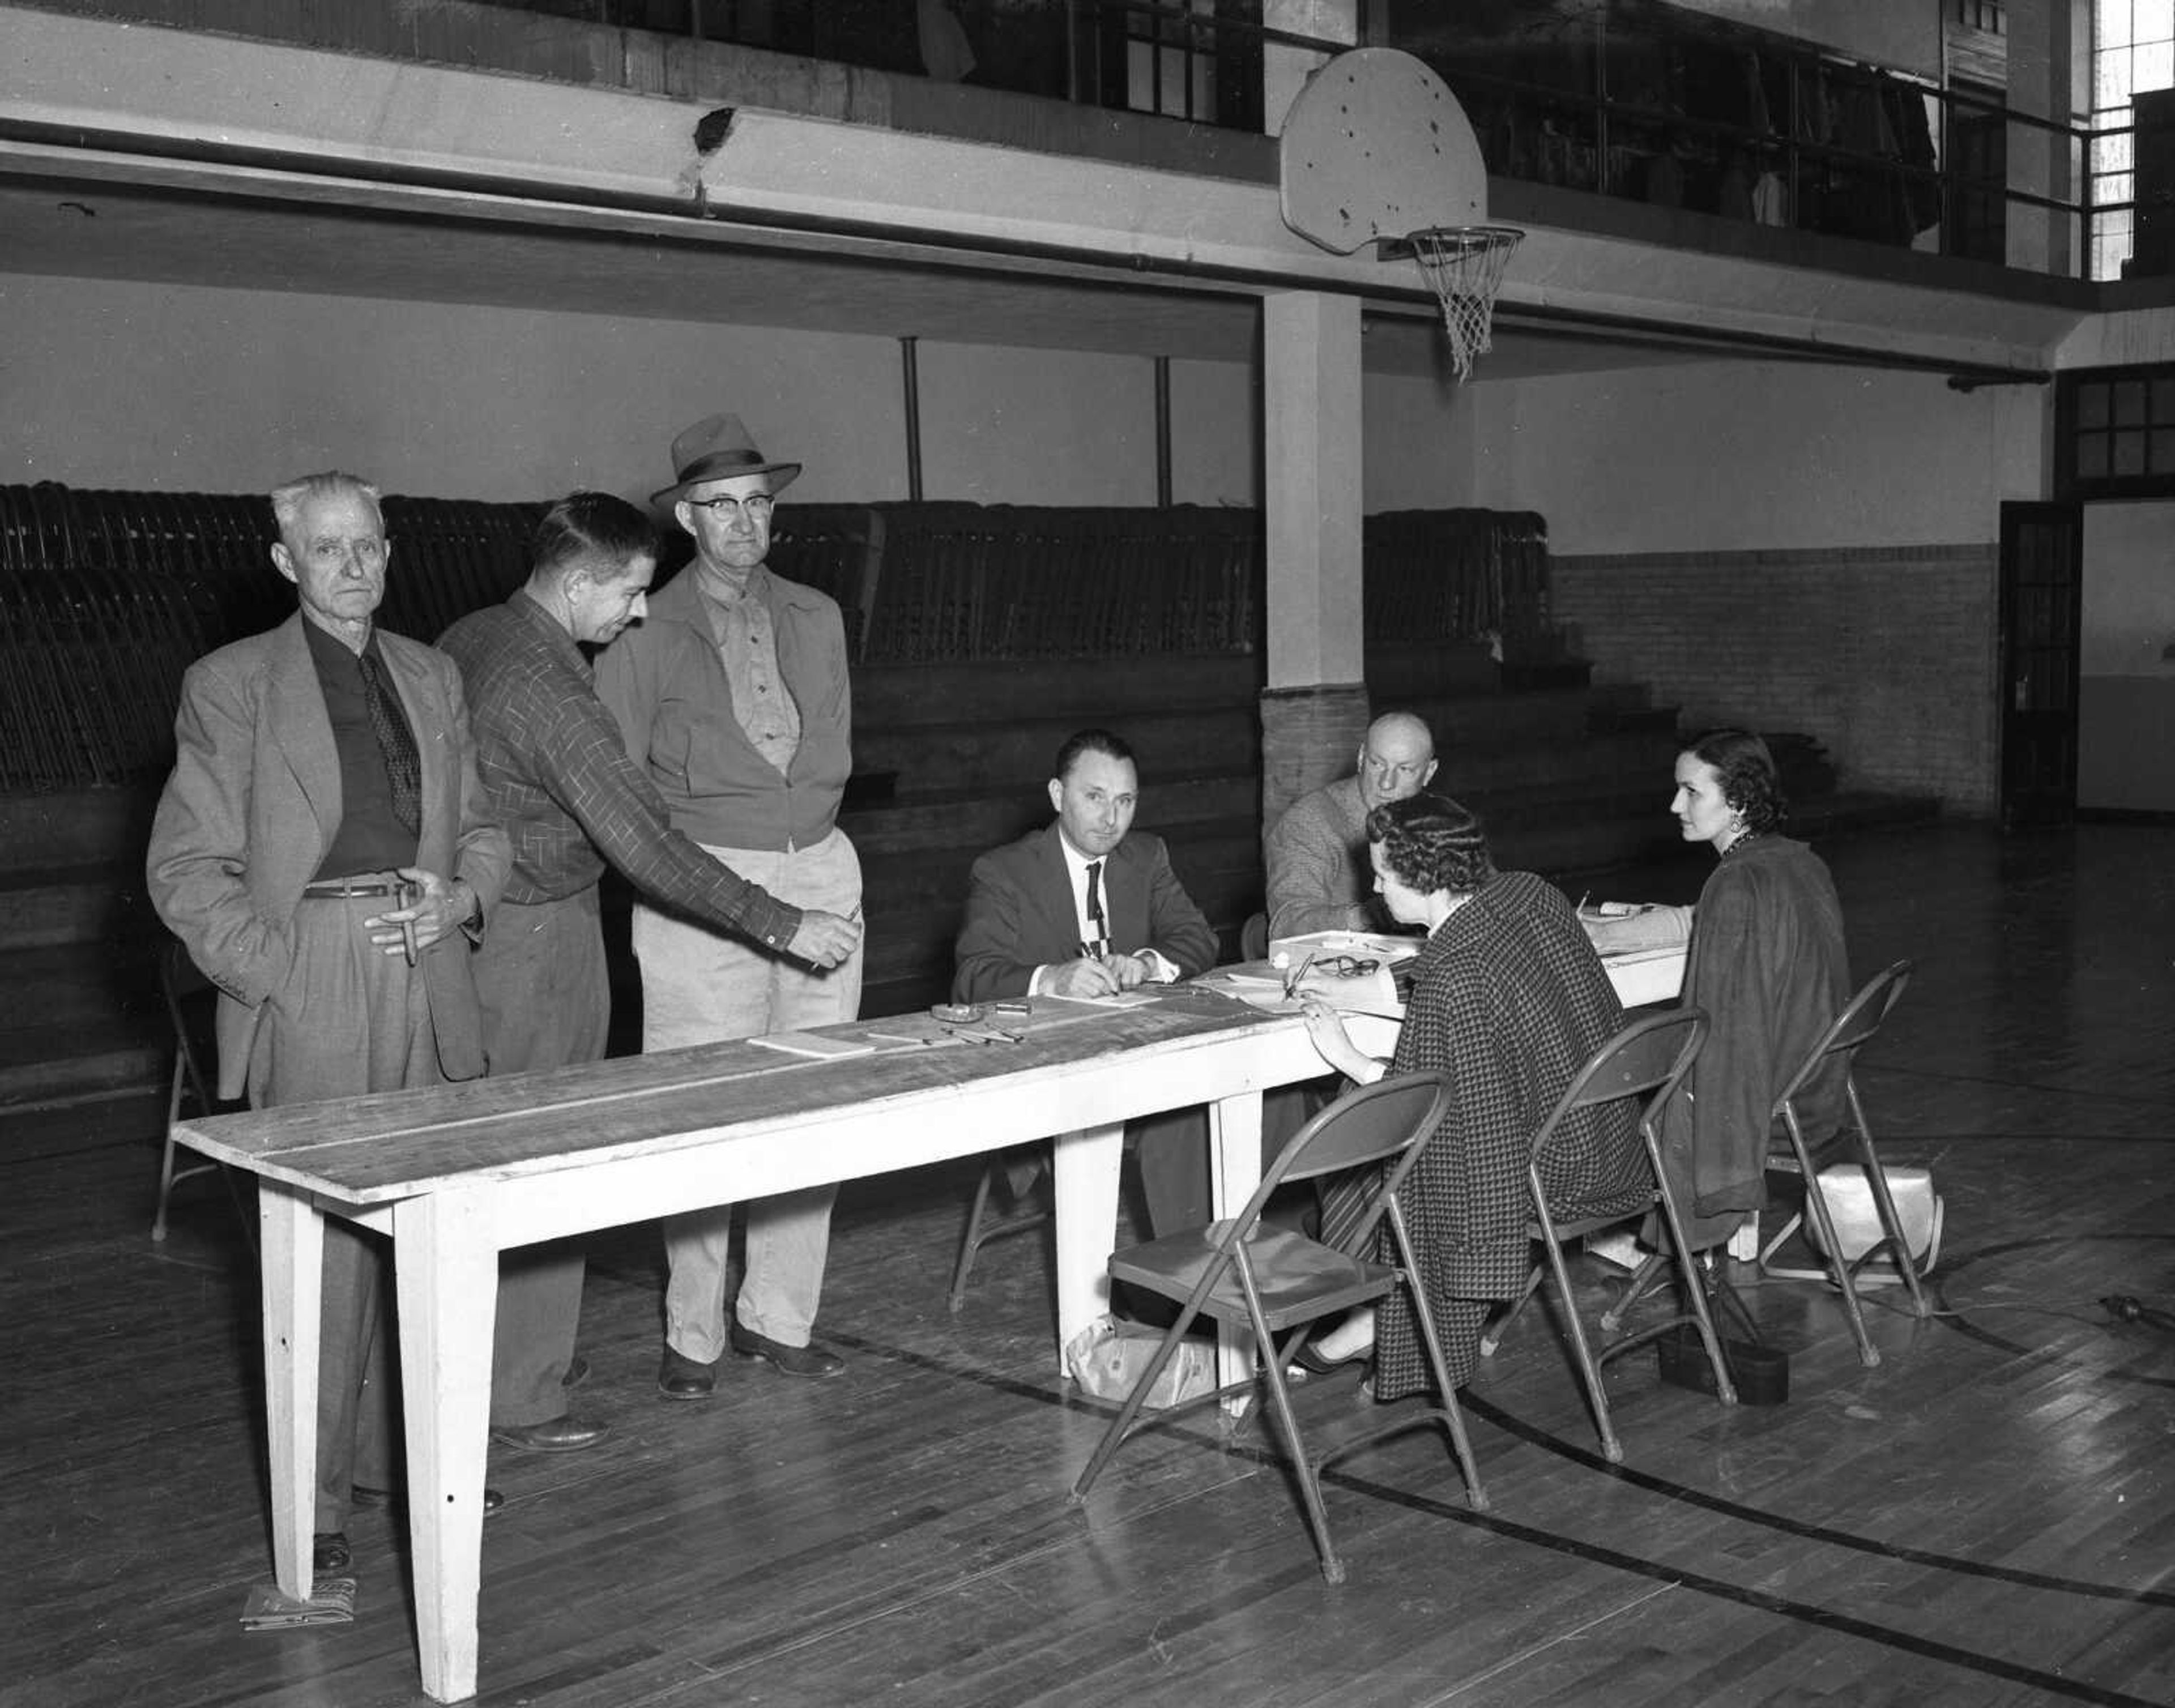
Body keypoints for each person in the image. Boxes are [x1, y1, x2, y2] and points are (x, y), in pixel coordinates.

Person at [146, 471, 512, 1577]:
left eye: (369, 545)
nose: (354, 565)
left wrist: (462, 897)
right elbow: (183, 867)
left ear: (390, 550)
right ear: (286, 562)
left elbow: (483, 825)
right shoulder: (233, 684)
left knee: (434, 1229)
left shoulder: (433, 671)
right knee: (319, 1250)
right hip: (315, 963)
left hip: (431, 955)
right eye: (327, 547)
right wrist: (284, 971)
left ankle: (408, 1463)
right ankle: (316, 1508)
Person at [438, 492, 858, 1433]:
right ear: (578, 581)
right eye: (627, 593)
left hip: (498, 926)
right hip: (537, 938)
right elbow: (648, 843)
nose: (638, 611)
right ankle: (522, 1394)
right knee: (545, 1161)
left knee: (510, 1155)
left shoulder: (477, 635)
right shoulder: (554, 691)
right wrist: (780, 924)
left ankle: (521, 1356)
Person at [595, 415, 867, 1396]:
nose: (746, 522)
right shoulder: (645, 627)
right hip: (701, 883)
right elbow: (619, 786)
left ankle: (779, 1316)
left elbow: (828, 733)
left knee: (816, 1102)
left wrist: (812, 838)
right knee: (703, 1110)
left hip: (822, 870)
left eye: (760, 503)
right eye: (723, 506)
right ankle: (694, 1331)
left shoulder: (819, 614)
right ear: (684, 518)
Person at [1298, 793, 1648, 1397]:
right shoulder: (1533, 895)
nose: (1375, 890)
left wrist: (1348, 1055)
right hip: (1618, 1144)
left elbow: (1438, 1121)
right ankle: (1373, 1318)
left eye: (1383, 875)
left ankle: (1373, 1319)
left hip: (1548, 1177)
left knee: (1356, 1143)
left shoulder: (1453, 978)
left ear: (1424, 876)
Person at [1587, 728, 1852, 1249]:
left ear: (1737, 802)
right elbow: (1701, 927)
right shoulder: (1796, 860)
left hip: (1771, 1101)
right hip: (1821, 1089)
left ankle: (1618, 1236)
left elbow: (1725, 1036)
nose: (1674, 804)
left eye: (1691, 792)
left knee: (1605, 1084)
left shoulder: (1737, 883)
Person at [953, 728, 1222, 1235]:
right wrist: (1052, 978)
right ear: (1058, 796)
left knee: (1236, 1096)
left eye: (1125, 801)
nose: (1111, 818)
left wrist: (1147, 963)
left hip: (1138, 1055)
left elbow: (1198, 938)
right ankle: (1181, 1288)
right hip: (1052, 1067)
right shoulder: (1004, 871)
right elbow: (973, 977)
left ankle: (1232, 1273)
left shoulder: (1147, 857)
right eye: (1094, 797)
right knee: (1182, 1118)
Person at [1264, 711, 1438, 941]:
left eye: (1404, 770)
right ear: (1361, 758)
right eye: (1377, 764)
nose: (1387, 783)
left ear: (1429, 772)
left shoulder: (1440, 820)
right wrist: (1367, 915)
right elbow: (1287, 924)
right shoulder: (1311, 821)